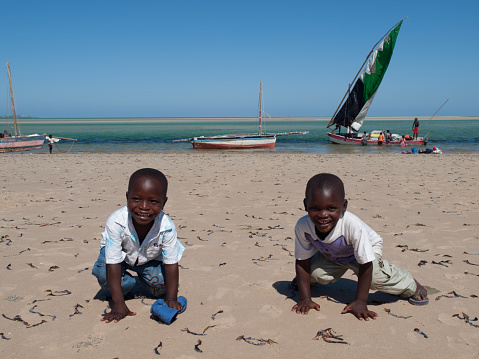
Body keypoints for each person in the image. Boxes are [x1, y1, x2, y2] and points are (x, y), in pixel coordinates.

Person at [291, 173, 428, 320]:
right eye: (315, 208)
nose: (323, 215)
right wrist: (305, 298)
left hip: (365, 254)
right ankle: (306, 281)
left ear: (344, 206)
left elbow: (365, 264)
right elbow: (302, 260)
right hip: (333, 254)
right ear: (306, 205)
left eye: (331, 208)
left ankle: (411, 284)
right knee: (313, 274)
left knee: (375, 279)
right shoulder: (303, 226)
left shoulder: (352, 225)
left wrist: (361, 302)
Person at [92, 168, 185, 323]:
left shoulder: (167, 226)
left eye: (153, 201)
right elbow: (113, 262)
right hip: (118, 261)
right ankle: (127, 284)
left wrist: (171, 298)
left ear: (164, 202)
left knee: (160, 288)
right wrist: (119, 304)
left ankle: (139, 280)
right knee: (104, 274)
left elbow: (171, 263)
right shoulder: (116, 221)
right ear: (127, 197)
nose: (144, 207)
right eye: (136, 199)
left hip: (149, 260)